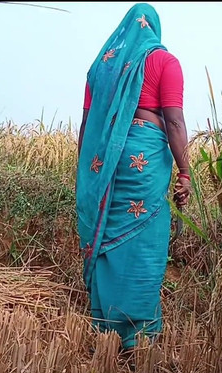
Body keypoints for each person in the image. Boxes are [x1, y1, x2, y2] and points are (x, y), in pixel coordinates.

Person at [76, 3, 191, 353]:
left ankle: (106, 325)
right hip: (145, 156)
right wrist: (185, 171)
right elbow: (174, 121)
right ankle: (138, 333)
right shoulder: (165, 62)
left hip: (107, 159)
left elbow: (87, 125)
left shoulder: (102, 68)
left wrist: (89, 172)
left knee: (108, 231)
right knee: (147, 232)